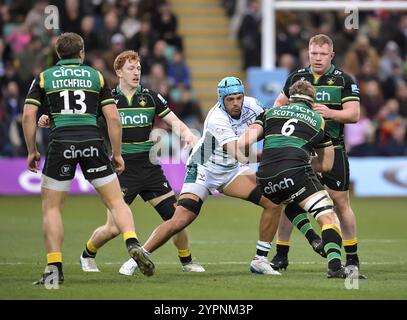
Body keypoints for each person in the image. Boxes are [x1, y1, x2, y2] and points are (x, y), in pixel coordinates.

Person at [121, 76, 319, 276]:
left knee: (273, 202)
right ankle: (138, 257)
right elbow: (239, 153)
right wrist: (277, 155)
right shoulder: (217, 118)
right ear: (221, 100)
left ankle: (260, 260)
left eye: (238, 98)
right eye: (230, 99)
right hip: (203, 167)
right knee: (181, 219)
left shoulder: (253, 106)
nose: (236, 103)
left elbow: (273, 125)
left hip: (231, 170)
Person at [39, 50, 205, 276]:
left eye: (138, 68)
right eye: (131, 68)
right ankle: (87, 253)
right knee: (114, 227)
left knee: (175, 218)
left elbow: (175, 121)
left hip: (149, 167)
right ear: (118, 72)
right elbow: (79, 115)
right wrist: (49, 117)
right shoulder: (108, 99)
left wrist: (188, 134)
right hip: (122, 168)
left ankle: (187, 261)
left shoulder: (151, 97)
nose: (136, 72)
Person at [22, 33, 153, 285]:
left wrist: (31, 150)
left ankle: (54, 269)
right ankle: (132, 241)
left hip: (61, 144)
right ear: (81, 53)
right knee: (116, 202)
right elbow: (113, 119)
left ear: (59, 54)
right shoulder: (96, 76)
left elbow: (29, 116)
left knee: (52, 209)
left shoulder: (44, 77)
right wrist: (116, 153)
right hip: (92, 142)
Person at [271, 34, 365, 278]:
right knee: (290, 200)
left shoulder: (344, 80)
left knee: (340, 202)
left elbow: (354, 114)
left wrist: (329, 113)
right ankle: (281, 255)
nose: (318, 58)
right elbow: (277, 106)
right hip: (302, 150)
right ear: (308, 53)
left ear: (331, 55)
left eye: (323, 54)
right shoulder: (296, 78)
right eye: (314, 54)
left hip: (332, 147)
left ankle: (352, 259)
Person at [239, 80, 348, 278]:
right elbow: (326, 165)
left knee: (290, 199)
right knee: (328, 216)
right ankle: (334, 266)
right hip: (295, 172)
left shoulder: (269, 113)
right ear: (312, 102)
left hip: (265, 177)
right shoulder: (317, 120)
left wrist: (248, 157)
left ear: (290, 99)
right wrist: (308, 163)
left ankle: (313, 239)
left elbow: (244, 141)